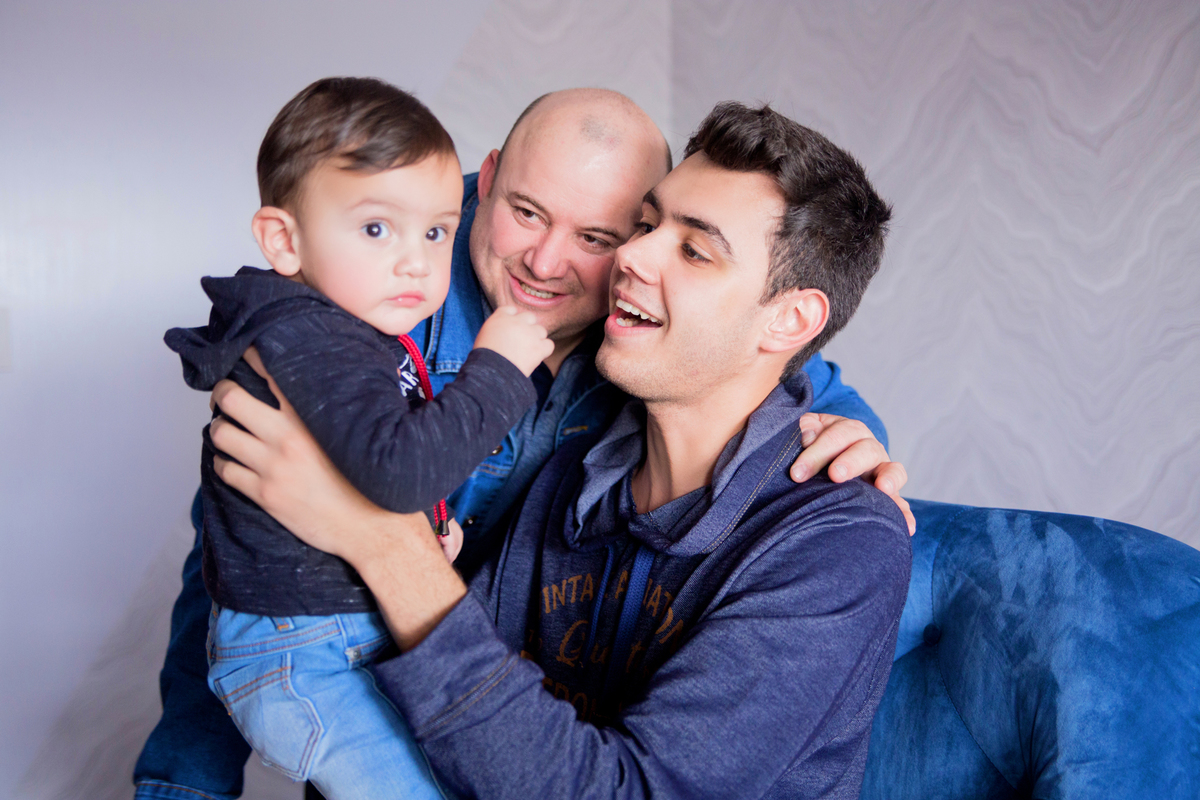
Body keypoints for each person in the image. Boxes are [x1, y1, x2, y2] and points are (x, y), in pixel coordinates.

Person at [134, 88, 911, 800]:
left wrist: (856, 457)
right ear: (486, 182)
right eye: (527, 213)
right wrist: (184, 781)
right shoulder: (380, 295)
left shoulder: (812, 522)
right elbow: (241, 556)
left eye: (611, 235)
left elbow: (782, 374)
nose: (563, 260)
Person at [165, 76, 558, 797]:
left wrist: (425, 527)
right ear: (285, 240)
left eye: (436, 232)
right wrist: (499, 370)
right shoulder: (312, 335)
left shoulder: (348, 328)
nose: (416, 261)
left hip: (336, 634)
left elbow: (376, 454)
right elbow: (397, 469)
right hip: (304, 652)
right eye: (377, 229)